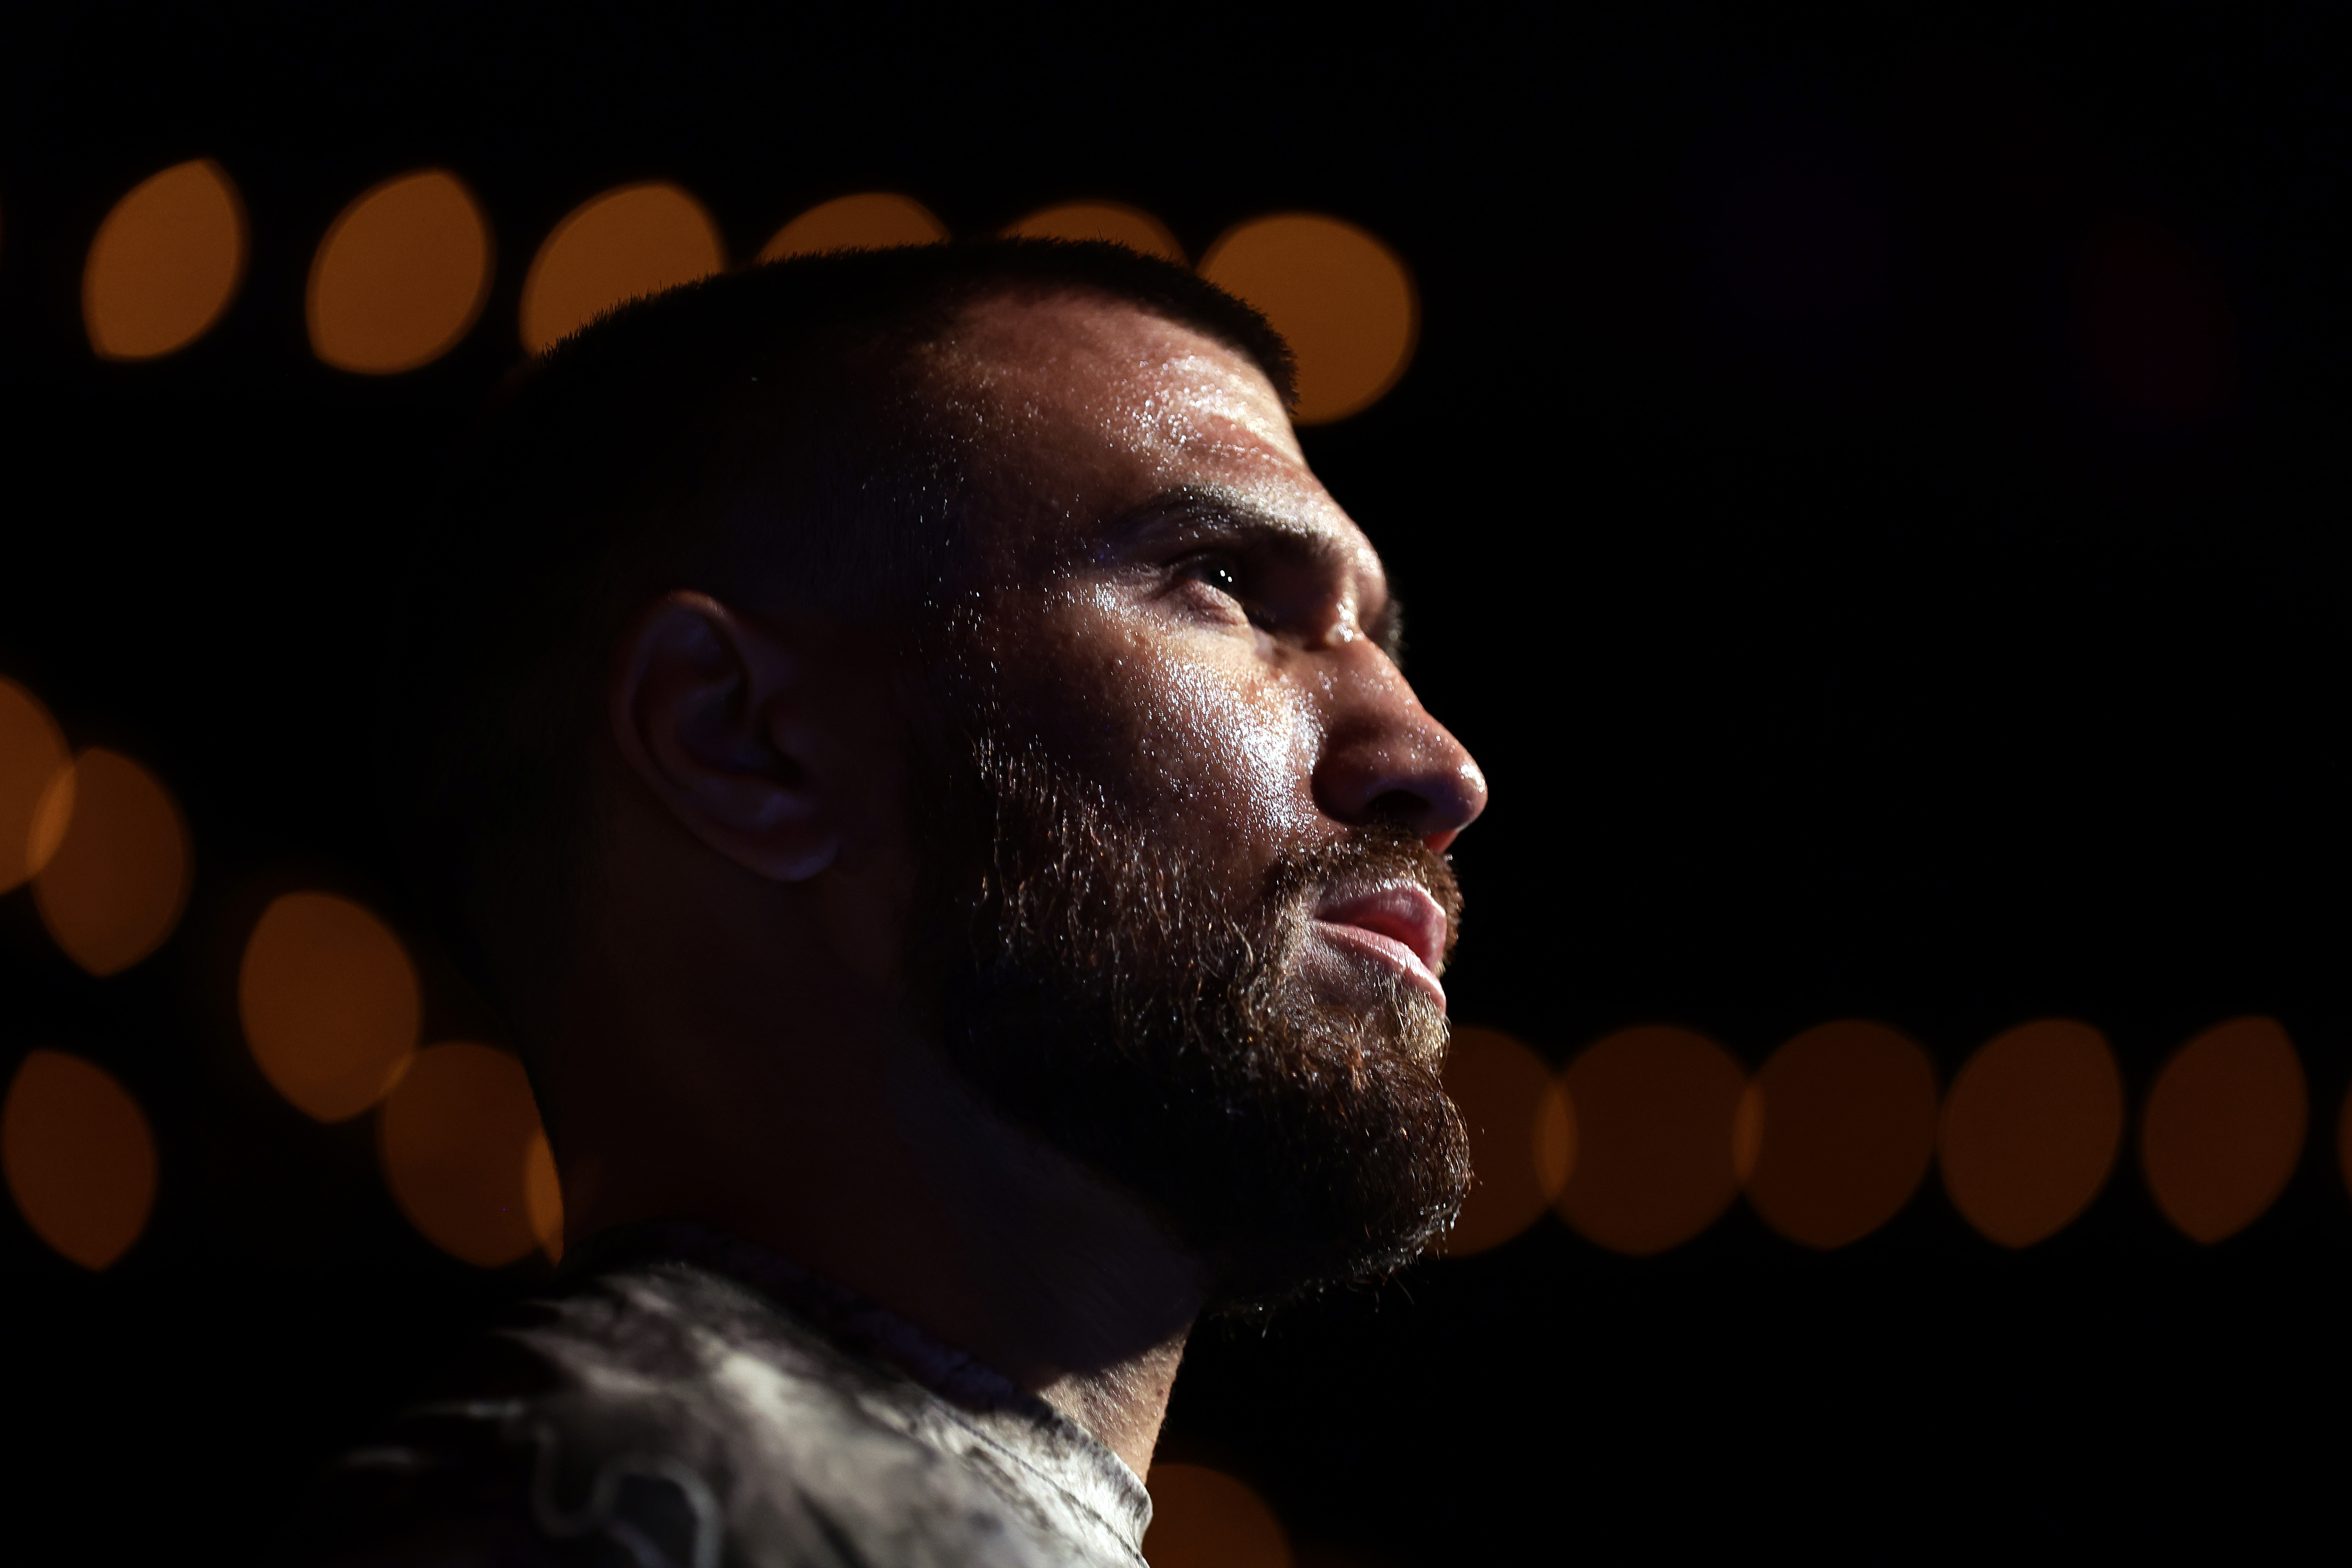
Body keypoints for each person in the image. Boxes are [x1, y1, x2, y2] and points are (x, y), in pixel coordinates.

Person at [298, 238, 1488, 1567]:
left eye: (1374, 642)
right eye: (1223, 583)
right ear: (744, 738)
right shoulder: (590, 1520)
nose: (1439, 769)